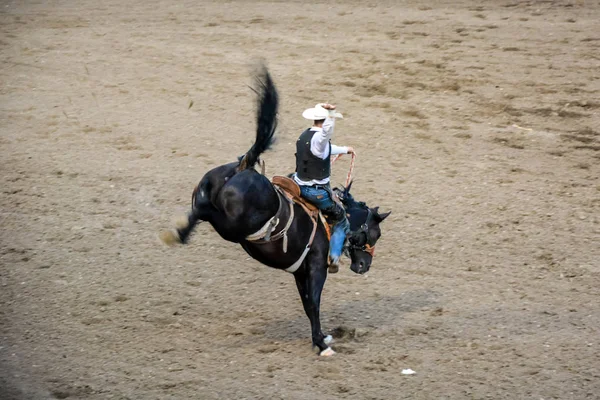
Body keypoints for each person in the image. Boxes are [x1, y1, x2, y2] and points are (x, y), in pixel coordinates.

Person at [293, 103, 354, 273]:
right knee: (341, 219)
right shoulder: (321, 138)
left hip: (298, 182)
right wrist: (331, 116)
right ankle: (334, 257)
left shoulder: (305, 135)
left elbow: (323, 149)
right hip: (315, 191)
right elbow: (325, 137)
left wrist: (345, 149)